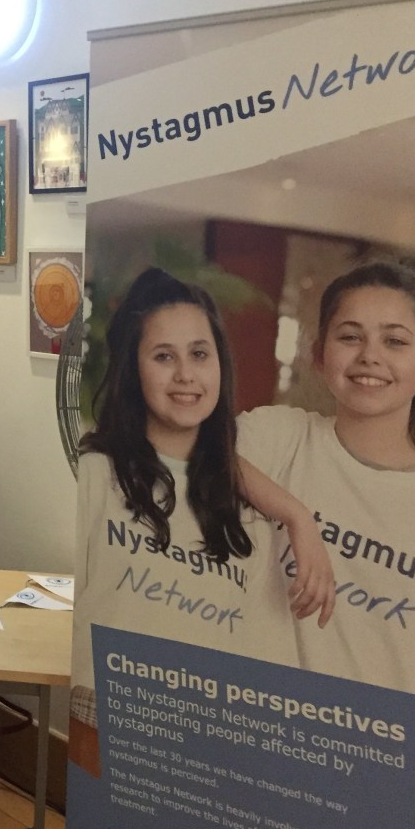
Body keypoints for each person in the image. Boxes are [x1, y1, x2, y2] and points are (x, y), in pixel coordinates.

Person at [237, 260, 415, 829]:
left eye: (395, 340)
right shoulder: (280, 438)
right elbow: (188, 447)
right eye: (350, 336)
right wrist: (296, 515)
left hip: (386, 791)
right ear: (319, 353)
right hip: (264, 764)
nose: (369, 356)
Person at [69, 267, 334, 776]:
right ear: (133, 368)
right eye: (163, 356)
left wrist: (299, 518)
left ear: (220, 364)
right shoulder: (94, 475)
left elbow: (262, 647)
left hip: (214, 747)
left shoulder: (250, 506)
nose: (186, 375)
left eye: (199, 354)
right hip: (105, 729)